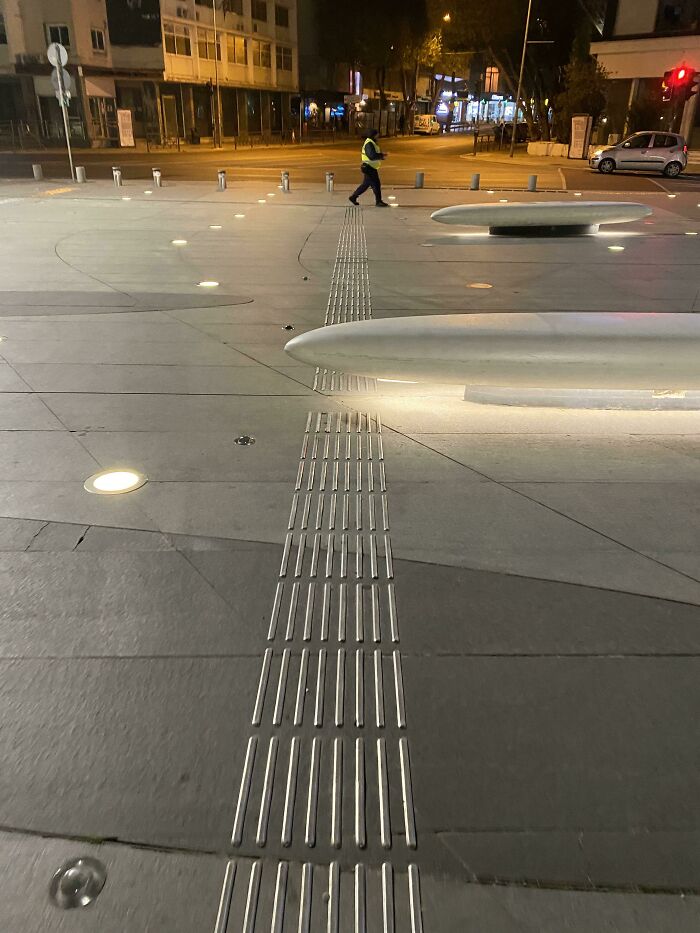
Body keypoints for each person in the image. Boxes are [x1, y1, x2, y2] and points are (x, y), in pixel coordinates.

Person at [349, 129, 389, 207]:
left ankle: (353, 197)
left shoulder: (371, 142)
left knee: (366, 184)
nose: (378, 136)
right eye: (377, 134)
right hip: (368, 167)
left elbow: (373, 155)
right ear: (373, 135)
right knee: (376, 184)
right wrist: (381, 156)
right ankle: (378, 201)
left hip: (369, 167)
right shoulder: (369, 143)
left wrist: (381, 156)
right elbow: (371, 156)